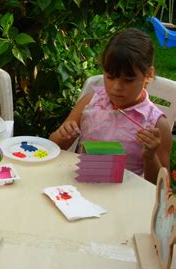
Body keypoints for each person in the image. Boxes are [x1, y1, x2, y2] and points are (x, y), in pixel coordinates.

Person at [49, 28, 172, 184]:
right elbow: (54, 146)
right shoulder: (90, 103)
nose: (116, 87)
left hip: (124, 198)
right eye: (110, 77)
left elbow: (161, 186)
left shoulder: (155, 124)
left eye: (128, 80)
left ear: (148, 75)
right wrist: (63, 135)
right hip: (81, 189)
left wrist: (150, 156)